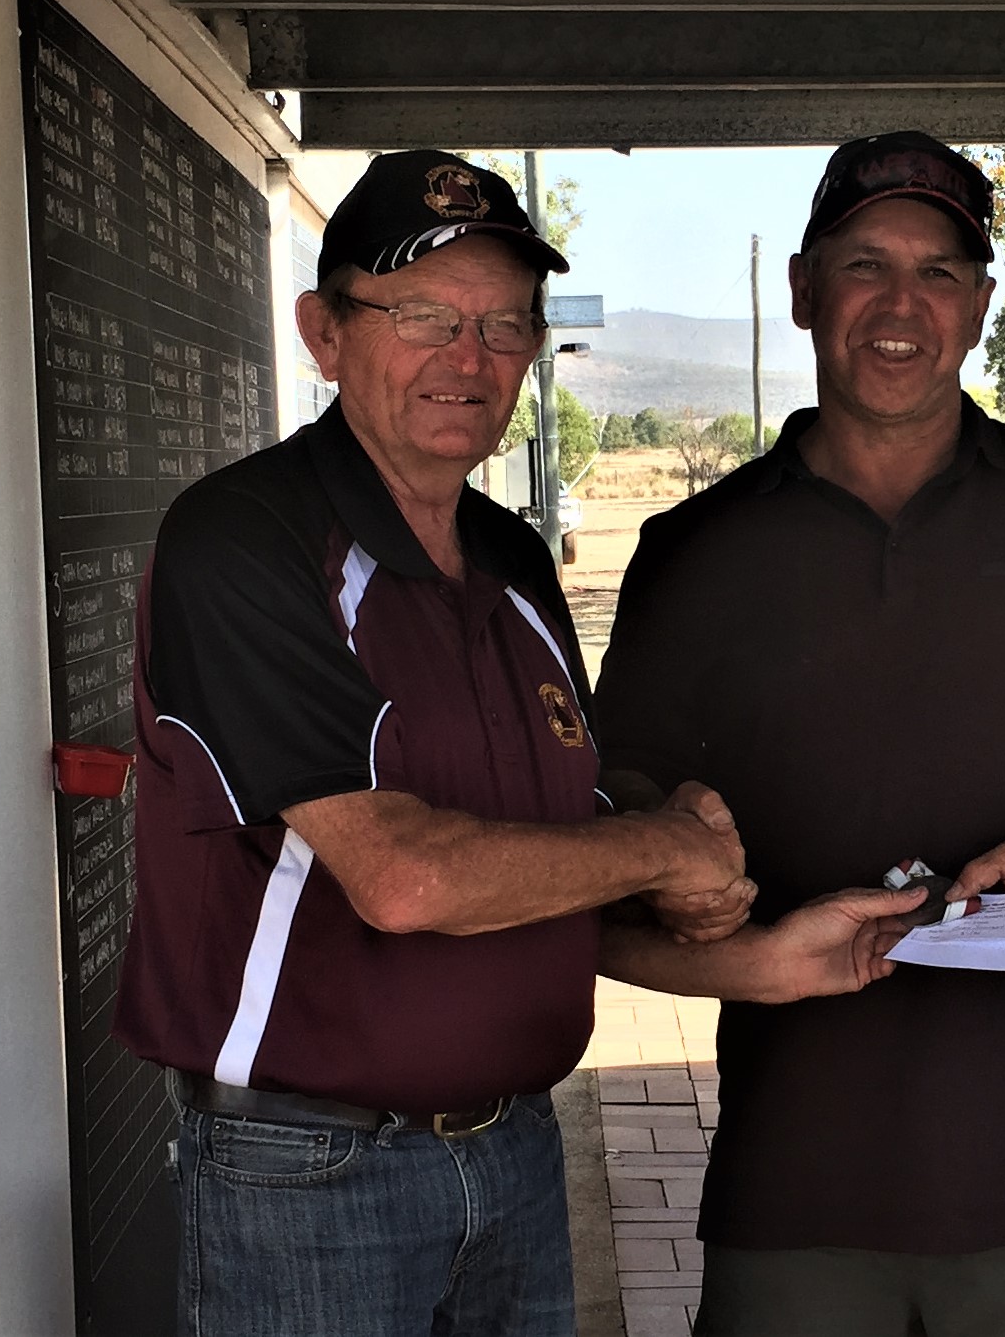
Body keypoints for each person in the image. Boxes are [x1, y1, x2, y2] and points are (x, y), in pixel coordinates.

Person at [594, 132, 1005, 1337]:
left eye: (940, 272)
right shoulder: (694, 550)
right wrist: (666, 841)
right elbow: (620, 785)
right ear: (803, 291)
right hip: (795, 1172)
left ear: (980, 303)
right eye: (864, 265)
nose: (901, 306)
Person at [112, 149, 779, 1337]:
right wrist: (669, 849)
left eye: (504, 326)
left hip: (516, 1152)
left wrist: (763, 948)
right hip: (307, 1180)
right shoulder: (244, 542)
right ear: (324, 332)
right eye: (422, 314)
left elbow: (555, 867)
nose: (467, 359)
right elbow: (409, 879)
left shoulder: (514, 558)